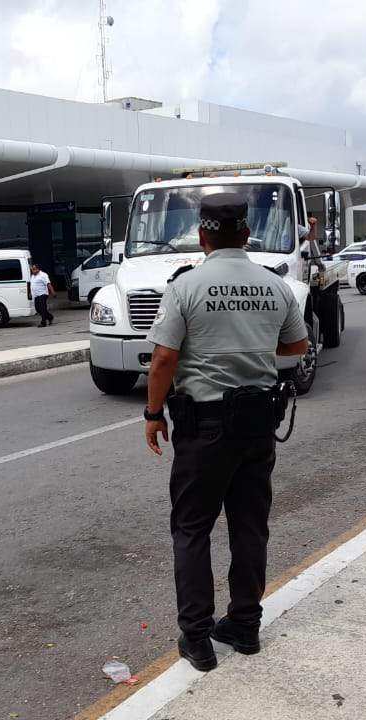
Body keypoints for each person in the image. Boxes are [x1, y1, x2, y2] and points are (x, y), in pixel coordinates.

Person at [143, 192, 310, 673]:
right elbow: (296, 345)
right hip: (257, 427)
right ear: (247, 233)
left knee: (193, 529)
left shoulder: (186, 287)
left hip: (205, 428)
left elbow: (163, 359)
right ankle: (245, 625)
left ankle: (197, 639)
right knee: (249, 527)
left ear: (202, 234)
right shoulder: (273, 286)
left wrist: (154, 414)